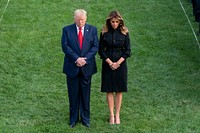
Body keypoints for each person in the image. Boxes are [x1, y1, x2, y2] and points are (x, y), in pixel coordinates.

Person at [61, 9, 99, 128]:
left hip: (86, 68)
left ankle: (85, 119)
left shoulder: (92, 30)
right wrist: (77, 59)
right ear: (74, 19)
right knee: (73, 94)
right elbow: (65, 46)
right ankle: (73, 119)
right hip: (72, 66)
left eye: (82, 19)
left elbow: (95, 46)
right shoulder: (67, 30)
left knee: (85, 94)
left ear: (86, 19)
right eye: (78, 20)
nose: (81, 22)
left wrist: (84, 59)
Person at [98, 10, 131, 125]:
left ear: (120, 22)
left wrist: (118, 63)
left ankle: (117, 115)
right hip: (108, 63)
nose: (115, 24)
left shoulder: (125, 33)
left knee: (119, 90)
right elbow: (101, 50)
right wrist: (110, 62)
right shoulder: (104, 32)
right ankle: (111, 114)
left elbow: (127, 50)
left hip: (120, 64)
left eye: (117, 22)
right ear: (109, 21)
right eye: (112, 21)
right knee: (109, 89)